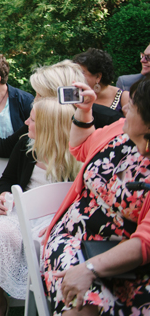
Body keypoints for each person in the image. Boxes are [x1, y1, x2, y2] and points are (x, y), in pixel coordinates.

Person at [41, 77, 150, 315]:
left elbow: (145, 242)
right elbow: (80, 149)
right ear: (131, 109)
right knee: (85, 305)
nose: (146, 149)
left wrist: (91, 267)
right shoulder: (116, 131)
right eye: (145, 137)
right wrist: (84, 110)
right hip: (74, 239)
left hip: (130, 259)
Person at [0, 98, 80, 315]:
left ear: (48, 127)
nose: (26, 122)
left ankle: (48, 301)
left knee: (50, 245)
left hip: (59, 219)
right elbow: (6, 179)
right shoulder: (25, 143)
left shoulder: (76, 155)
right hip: (22, 212)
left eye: (32, 119)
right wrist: (4, 195)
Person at [0, 60, 123, 159]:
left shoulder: (109, 122)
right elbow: (7, 146)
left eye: (39, 95)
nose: (34, 101)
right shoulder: (37, 122)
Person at [74, 48, 126, 113]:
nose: (75, 76)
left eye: (81, 72)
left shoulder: (125, 98)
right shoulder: (75, 96)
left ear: (98, 76)